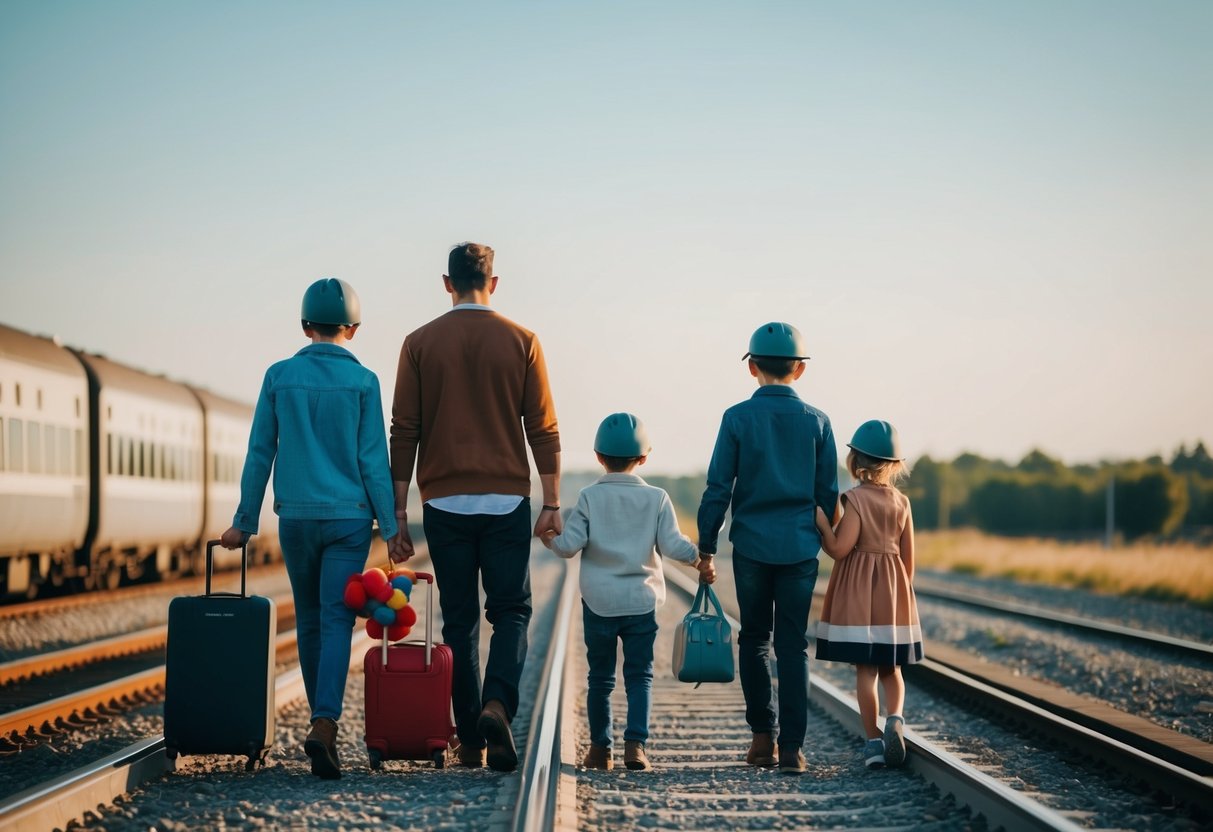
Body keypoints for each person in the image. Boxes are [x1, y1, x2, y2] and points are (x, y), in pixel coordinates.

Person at [389, 242, 562, 772]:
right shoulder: (523, 341)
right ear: (495, 281)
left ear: (447, 283)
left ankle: (468, 738)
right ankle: (496, 705)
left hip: (443, 501)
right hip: (506, 499)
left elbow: (405, 432)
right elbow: (543, 429)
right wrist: (551, 501)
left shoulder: (418, 343)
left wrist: (397, 515)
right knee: (510, 611)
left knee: (459, 623)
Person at [220, 277, 398, 780]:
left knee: (310, 620)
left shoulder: (278, 377)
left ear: (304, 326)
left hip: (296, 518)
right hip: (348, 519)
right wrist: (390, 527)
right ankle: (324, 721)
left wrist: (243, 523)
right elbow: (372, 460)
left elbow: (260, 452)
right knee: (338, 620)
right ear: (354, 329)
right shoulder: (365, 383)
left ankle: (323, 723)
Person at [696, 322, 839, 776]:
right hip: (799, 549)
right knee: (793, 647)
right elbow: (828, 496)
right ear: (800, 369)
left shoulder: (736, 418)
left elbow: (718, 488)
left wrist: (705, 546)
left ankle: (762, 740)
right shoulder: (818, 421)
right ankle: (793, 748)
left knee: (755, 639)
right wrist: (819, 534)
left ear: (752, 367)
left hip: (752, 547)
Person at [540, 413, 716, 772]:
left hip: (600, 602)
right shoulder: (657, 497)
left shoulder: (589, 497)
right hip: (642, 602)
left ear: (598, 456)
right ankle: (636, 747)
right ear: (645, 458)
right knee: (640, 676)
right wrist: (700, 560)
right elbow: (673, 545)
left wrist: (548, 537)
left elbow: (569, 546)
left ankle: (599, 750)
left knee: (600, 679)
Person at [814, 419, 922, 769]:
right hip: (893, 594)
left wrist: (821, 523)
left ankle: (874, 743)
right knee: (892, 669)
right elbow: (908, 563)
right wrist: (899, 595)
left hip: (861, 595)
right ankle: (896, 719)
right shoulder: (902, 502)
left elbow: (840, 548)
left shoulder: (856, 500)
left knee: (866, 670)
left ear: (855, 461)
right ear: (894, 465)